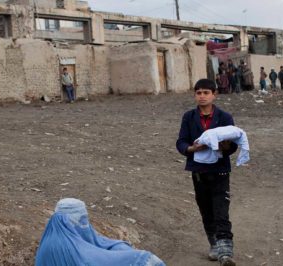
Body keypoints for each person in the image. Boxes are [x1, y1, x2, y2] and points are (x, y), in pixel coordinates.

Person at [176, 79, 238, 266]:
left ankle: (225, 251)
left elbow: (233, 144)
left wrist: (223, 146)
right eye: (198, 93)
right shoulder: (189, 117)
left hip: (219, 171)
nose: (202, 96)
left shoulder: (225, 117)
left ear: (214, 94)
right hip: (199, 172)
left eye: (206, 92)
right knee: (206, 210)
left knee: (221, 211)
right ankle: (214, 245)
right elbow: (181, 142)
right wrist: (191, 149)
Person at [36, 198, 165, 266]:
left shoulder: (57, 233)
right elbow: (91, 260)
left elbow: (98, 242)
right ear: (67, 220)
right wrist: (140, 258)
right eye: (81, 220)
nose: (85, 224)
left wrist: (119, 247)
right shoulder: (60, 246)